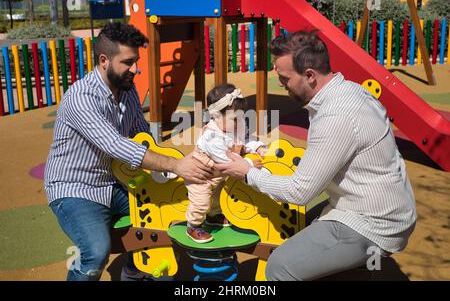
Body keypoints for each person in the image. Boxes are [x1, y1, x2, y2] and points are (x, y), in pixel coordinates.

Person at [215, 30, 416, 281]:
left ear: (309, 75)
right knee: (297, 221)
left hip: (374, 223)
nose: (280, 83)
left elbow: (300, 192)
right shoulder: (348, 90)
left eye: (285, 77)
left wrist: (248, 174)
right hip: (382, 204)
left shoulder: (335, 116)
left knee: (279, 267)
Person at [44, 22, 214, 281]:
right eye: (127, 62)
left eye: (136, 61)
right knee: (96, 252)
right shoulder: (81, 98)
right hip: (75, 188)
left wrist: (183, 165)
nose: (135, 69)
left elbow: (141, 137)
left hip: (113, 182)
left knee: (167, 209)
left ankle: (135, 269)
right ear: (104, 60)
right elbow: (117, 145)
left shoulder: (127, 90)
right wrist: (176, 166)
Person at [185, 84, 267, 243]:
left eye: (241, 117)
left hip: (220, 174)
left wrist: (258, 146)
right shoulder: (211, 137)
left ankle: (214, 216)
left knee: (218, 196)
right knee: (201, 200)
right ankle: (193, 226)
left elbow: (245, 139)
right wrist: (249, 162)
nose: (239, 122)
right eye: (235, 118)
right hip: (202, 174)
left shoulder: (235, 123)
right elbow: (229, 163)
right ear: (216, 116)